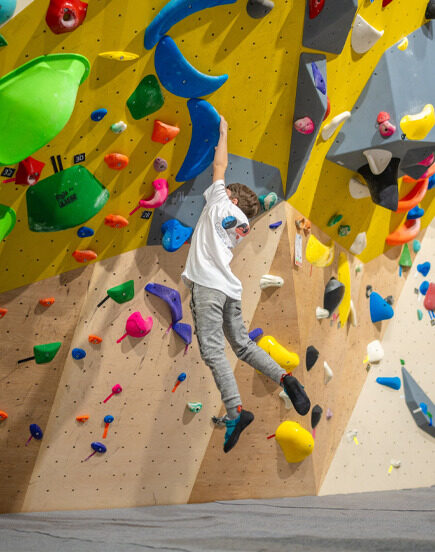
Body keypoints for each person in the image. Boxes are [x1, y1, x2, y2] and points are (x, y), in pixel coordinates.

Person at [181, 115, 310, 453]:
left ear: (232, 199)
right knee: (241, 345)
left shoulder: (221, 201)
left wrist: (224, 130)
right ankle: (286, 378)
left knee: (212, 350)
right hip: (229, 289)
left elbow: (219, 163)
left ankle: (236, 410)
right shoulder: (242, 225)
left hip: (208, 286)